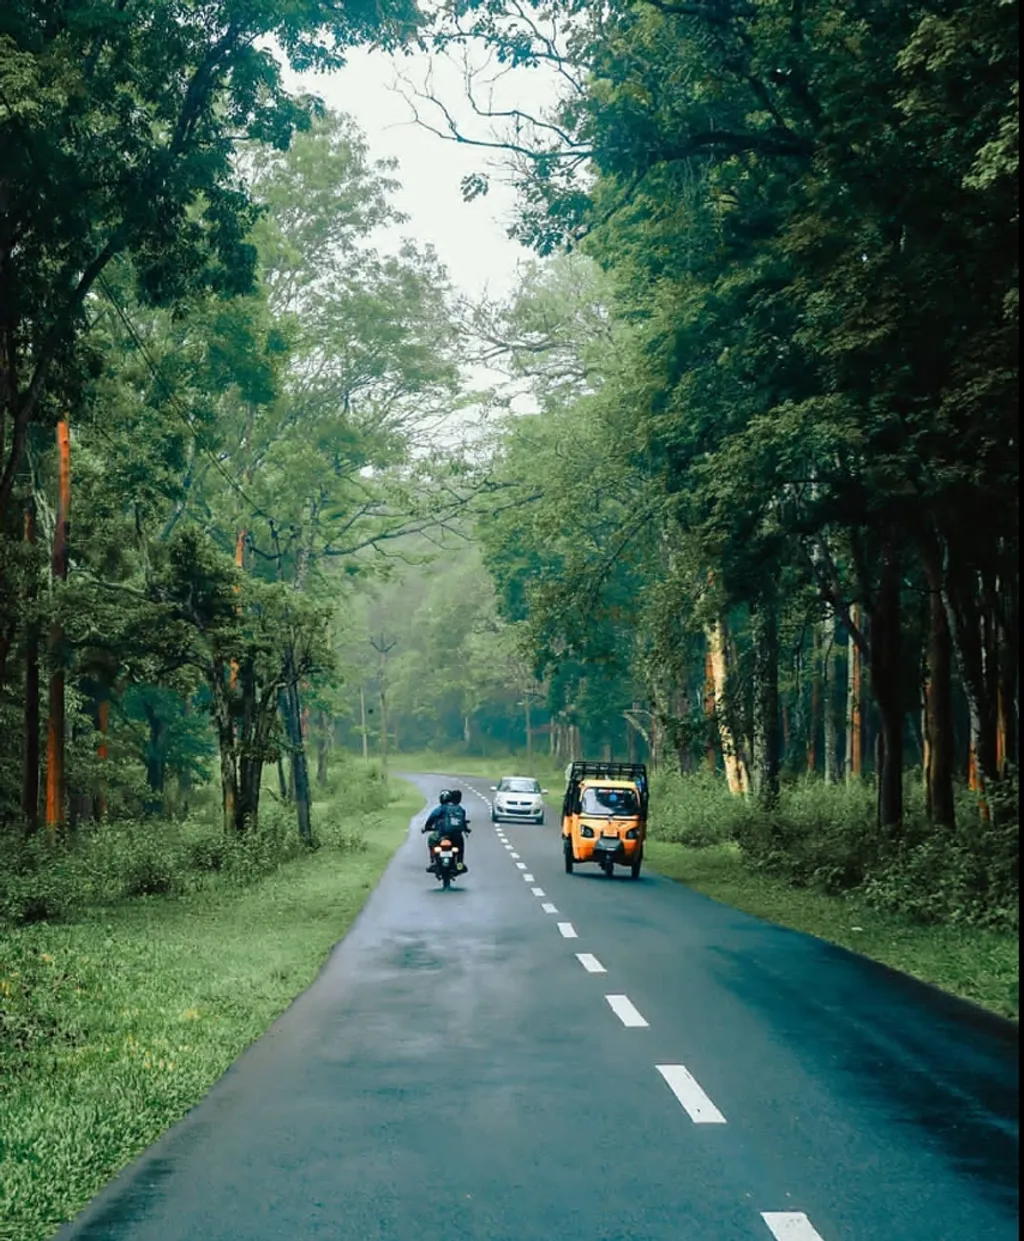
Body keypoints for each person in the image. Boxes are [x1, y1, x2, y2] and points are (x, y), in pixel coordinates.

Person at [422, 788, 470, 872]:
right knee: (460, 847)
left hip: (443, 834)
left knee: (431, 839)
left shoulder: (442, 808)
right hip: (456, 836)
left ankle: (434, 861)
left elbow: (432, 817)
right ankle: (459, 864)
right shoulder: (460, 809)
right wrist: (466, 829)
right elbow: (463, 822)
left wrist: (426, 827)